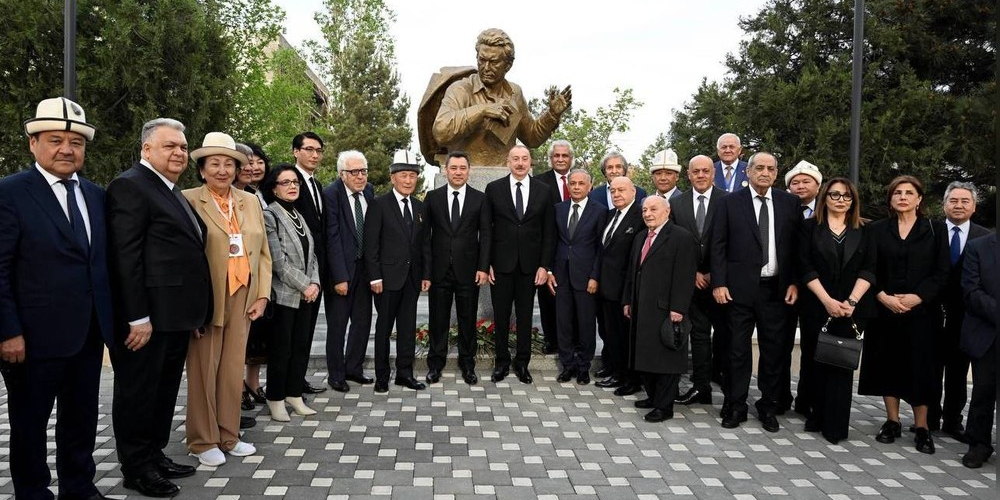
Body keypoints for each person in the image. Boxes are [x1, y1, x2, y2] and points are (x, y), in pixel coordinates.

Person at [0, 97, 113, 500]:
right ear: (33, 143)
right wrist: (7, 331)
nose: (67, 149)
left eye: (76, 142)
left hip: (87, 333)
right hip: (31, 338)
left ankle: (78, 487)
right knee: (29, 423)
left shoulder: (96, 195)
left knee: (81, 418)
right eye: (55, 140)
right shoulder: (10, 193)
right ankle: (33, 492)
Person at [107, 118, 212, 497]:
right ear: (146, 149)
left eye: (183, 147)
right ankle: (137, 468)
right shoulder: (130, 186)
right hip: (147, 319)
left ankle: (154, 454)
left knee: (163, 392)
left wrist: (195, 312)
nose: (179, 153)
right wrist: (137, 317)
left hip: (175, 316)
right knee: (138, 394)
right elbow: (126, 257)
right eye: (170, 146)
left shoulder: (169, 189)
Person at [181, 132, 271, 466]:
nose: (222, 170)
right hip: (207, 297)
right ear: (201, 170)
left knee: (233, 370)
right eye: (214, 164)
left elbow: (263, 252)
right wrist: (190, 307)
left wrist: (262, 294)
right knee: (204, 369)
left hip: (243, 295)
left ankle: (229, 434)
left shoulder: (249, 201)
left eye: (229, 164)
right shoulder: (188, 200)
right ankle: (202, 440)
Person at [711, 152, 801, 432]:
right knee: (737, 350)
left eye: (770, 168)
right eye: (759, 168)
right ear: (747, 172)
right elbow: (718, 245)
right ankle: (736, 404)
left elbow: (797, 247)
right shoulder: (729, 203)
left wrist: (794, 282)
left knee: (773, 351)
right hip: (737, 291)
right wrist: (719, 282)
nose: (765, 173)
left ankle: (768, 405)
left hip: (776, 290)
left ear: (776, 173)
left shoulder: (789, 203)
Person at [859, 175, 950, 455]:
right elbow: (868, 267)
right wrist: (882, 296)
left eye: (909, 193)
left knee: (921, 367)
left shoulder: (935, 229)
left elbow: (942, 271)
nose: (902, 197)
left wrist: (918, 297)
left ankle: (922, 427)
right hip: (885, 310)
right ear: (890, 199)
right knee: (888, 364)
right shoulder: (876, 230)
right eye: (897, 193)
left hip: (922, 312)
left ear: (919, 199)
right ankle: (892, 421)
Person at [797, 178, 875, 443]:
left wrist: (851, 302)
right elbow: (805, 266)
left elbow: (869, 269)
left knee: (842, 365)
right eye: (835, 195)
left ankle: (836, 426)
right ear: (825, 197)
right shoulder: (809, 227)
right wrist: (827, 301)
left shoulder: (865, 229)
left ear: (853, 200)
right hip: (817, 305)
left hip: (851, 309)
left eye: (846, 196)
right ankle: (816, 415)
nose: (841, 200)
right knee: (816, 361)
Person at [432, 28, 571, 167]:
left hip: (505, 175)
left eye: (493, 62)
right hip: (464, 173)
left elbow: (532, 138)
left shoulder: (515, 93)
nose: (486, 67)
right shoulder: (460, 90)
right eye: (482, 60)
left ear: (508, 65)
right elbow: (441, 132)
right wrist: (482, 111)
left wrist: (552, 115)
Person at [485, 145, 556, 384]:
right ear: (508, 162)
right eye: (515, 158)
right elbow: (487, 230)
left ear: (530, 162)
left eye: (524, 158)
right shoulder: (494, 189)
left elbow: (549, 232)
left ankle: (522, 363)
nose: (520, 163)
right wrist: (487, 263)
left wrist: (544, 266)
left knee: (525, 317)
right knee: (501, 316)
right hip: (501, 266)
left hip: (530, 267)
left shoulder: (543, 191)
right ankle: (502, 362)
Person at [623, 196, 697, 422]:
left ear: (667, 211)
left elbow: (685, 276)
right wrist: (628, 300)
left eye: (653, 209)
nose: (648, 214)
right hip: (641, 308)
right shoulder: (640, 237)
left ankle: (664, 407)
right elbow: (632, 272)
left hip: (666, 310)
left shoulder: (681, 237)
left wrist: (678, 308)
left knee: (665, 360)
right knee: (646, 356)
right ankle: (653, 397)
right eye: (644, 210)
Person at [365, 150, 432, 393]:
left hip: (411, 280)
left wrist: (426, 275)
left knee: (407, 329)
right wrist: (375, 276)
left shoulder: (420, 207)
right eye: (403, 175)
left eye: (412, 176)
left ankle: (405, 374)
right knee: (383, 329)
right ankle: (382, 376)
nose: (408, 180)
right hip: (386, 280)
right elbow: (371, 244)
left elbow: (424, 245)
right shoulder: (378, 205)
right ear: (393, 178)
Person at [423, 151, 492, 385]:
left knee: (467, 320)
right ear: (446, 171)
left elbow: (486, 236)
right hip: (439, 271)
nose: (458, 172)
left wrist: (483, 267)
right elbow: (425, 239)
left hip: (469, 271)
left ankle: (467, 364)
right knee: (438, 320)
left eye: (463, 168)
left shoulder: (480, 199)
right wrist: (426, 272)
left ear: (469, 171)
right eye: (454, 168)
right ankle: (435, 364)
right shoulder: (432, 198)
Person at [928, 181, 990, 439]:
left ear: (974, 207)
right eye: (953, 200)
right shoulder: (930, 231)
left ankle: (953, 420)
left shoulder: (985, 238)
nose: (959, 205)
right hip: (932, 311)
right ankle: (929, 418)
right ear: (944, 205)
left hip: (967, 316)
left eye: (965, 201)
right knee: (930, 367)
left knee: (958, 370)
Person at [261, 164, 321, 420]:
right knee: (281, 350)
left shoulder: (298, 213)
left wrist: (315, 283)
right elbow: (278, 262)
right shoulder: (270, 215)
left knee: (300, 347)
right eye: (285, 182)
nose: (292, 186)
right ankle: (275, 398)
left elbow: (312, 254)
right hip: (284, 296)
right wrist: (305, 285)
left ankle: (294, 394)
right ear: (274, 189)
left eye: (295, 182)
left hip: (306, 295)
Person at [668, 155, 726, 406]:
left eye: (705, 171)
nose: (701, 175)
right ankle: (702, 388)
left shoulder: (729, 201)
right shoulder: (676, 203)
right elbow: (672, 243)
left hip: (721, 283)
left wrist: (715, 273)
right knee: (699, 336)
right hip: (690, 283)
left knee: (727, 337)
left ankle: (731, 388)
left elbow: (734, 242)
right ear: (688, 175)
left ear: (713, 173)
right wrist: (692, 273)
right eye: (696, 171)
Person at [323, 151, 376, 392]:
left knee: (362, 323)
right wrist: (339, 277)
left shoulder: (369, 191)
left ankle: (354, 368)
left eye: (363, 171)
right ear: (342, 174)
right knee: (338, 325)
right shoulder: (331, 195)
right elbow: (331, 237)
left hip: (365, 271)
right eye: (354, 172)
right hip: (341, 272)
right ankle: (336, 375)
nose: (360, 176)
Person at [548, 169, 605, 385]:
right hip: (561, 276)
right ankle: (567, 366)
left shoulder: (599, 211)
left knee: (586, 324)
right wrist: (550, 271)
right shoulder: (558, 209)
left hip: (586, 278)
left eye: (581, 183)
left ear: (590, 186)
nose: (577, 187)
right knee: (563, 324)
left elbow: (601, 247)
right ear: (568, 186)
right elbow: (552, 242)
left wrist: (595, 276)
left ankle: (583, 367)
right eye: (573, 183)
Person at [595, 177, 645, 395]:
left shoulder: (640, 216)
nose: (616, 194)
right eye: (613, 191)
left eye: (621, 190)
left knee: (625, 337)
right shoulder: (610, 215)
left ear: (634, 192)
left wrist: (628, 293)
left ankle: (628, 378)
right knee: (610, 334)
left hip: (625, 289)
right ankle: (614, 369)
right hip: (606, 288)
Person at [782, 160, 823, 415]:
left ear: (818, 186)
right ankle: (781, 396)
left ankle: (808, 398)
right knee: (782, 345)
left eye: (806, 181)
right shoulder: (784, 209)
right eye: (795, 183)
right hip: (787, 287)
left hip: (818, 291)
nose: (800, 186)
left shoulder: (827, 212)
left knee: (813, 347)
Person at [290, 131, 329, 395]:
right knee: (293, 332)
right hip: (296, 272)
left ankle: (299, 380)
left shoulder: (316, 184)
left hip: (316, 269)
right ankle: (288, 384)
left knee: (307, 330)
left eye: (318, 151)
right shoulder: (289, 181)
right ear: (296, 151)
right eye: (309, 150)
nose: (315, 155)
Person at [532, 139, 575, 354]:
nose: (560, 159)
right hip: (548, 251)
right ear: (550, 159)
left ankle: (573, 340)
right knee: (548, 297)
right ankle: (551, 340)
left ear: (571, 158)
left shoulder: (580, 180)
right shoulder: (539, 182)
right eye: (556, 156)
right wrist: (545, 264)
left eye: (564, 155)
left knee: (574, 298)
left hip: (575, 252)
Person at [959, 233, 996, 468]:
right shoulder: (978, 247)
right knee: (984, 392)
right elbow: (971, 291)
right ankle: (979, 444)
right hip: (988, 332)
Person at [240, 142, 272, 412]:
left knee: (258, 336)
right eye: (248, 162)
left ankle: (253, 384)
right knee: (240, 338)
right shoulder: (236, 195)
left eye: (259, 161)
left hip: (262, 273)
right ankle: (238, 389)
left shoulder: (260, 194)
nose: (253, 167)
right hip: (238, 276)